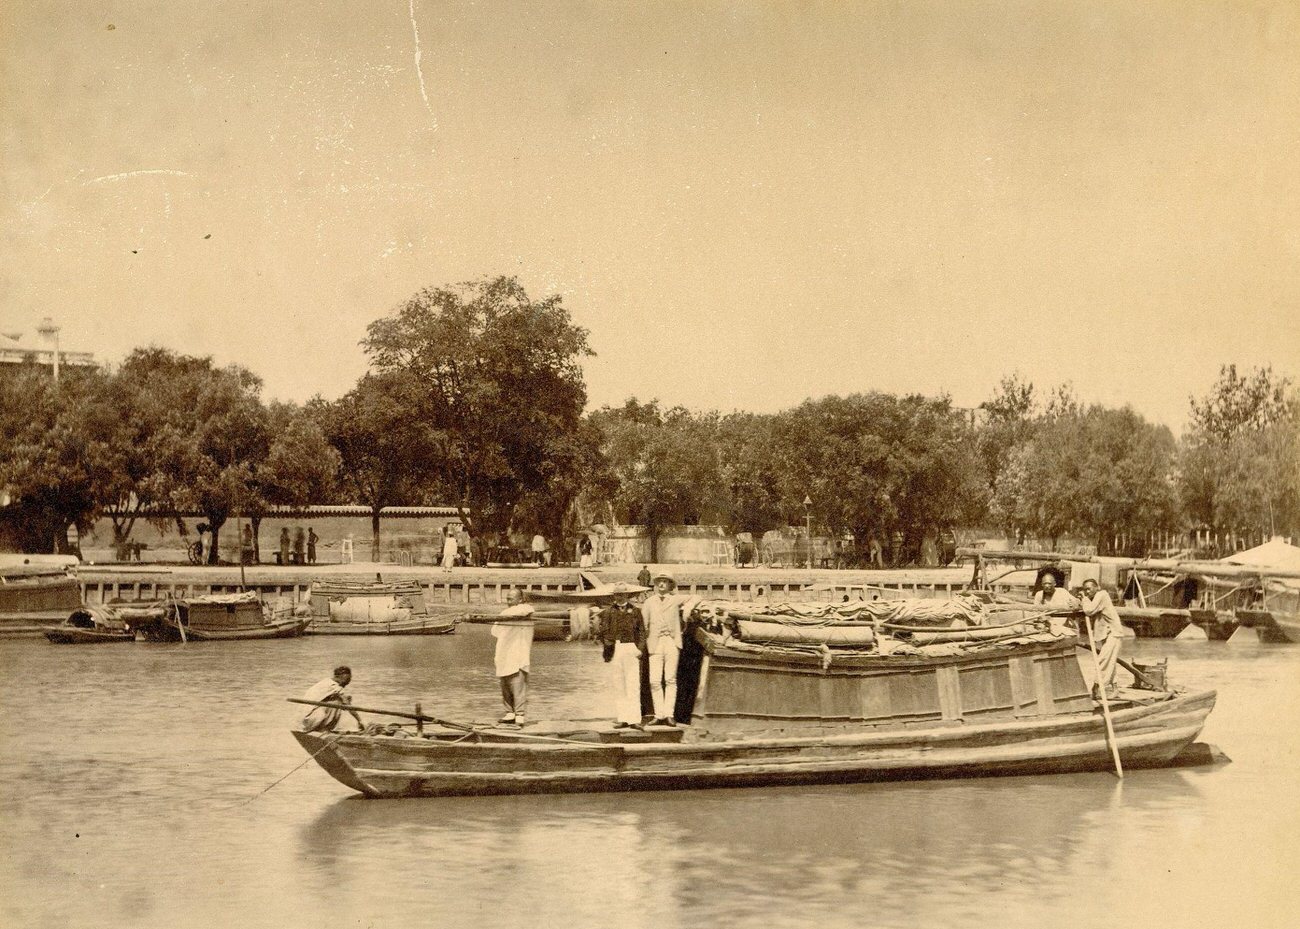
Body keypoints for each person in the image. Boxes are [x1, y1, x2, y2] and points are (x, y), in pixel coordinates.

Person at [640, 570, 688, 726]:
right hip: (655, 642)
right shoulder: (649, 602)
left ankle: (669, 714)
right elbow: (643, 625)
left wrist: (687, 610)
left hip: (672, 642)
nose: (661, 584)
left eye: (665, 581)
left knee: (670, 679)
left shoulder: (675, 600)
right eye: (659, 581)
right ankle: (658, 714)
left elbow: (697, 597)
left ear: (670, 585)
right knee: (654, 680)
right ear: (655, 584)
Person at [598, 591, 646, 728]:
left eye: (623, 594)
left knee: (633, 685)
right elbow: (602, 631)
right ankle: (623, 718)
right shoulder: (608, 612)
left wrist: (640, 649)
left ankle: (634, 719)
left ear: (627, 595)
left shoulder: (635, 611)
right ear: (614, 596)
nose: (620, 597)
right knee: (619, 685)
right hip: (616, 648)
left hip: (631, 647)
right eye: (617, 594)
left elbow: (642, 631)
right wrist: (607, 645)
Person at [493, 592, 535, 725]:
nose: (508, 601)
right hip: (504, 655)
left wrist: (505, 616)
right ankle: (510, 713)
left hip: (518, 655)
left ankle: (520, 715)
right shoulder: (506, 613)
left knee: (518, 687)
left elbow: (524, 609)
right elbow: (494, 631)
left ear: (520, 599)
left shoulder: (526, 610)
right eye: (507, 598)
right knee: (505, 686)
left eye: (511, 598)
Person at [1078, 578, 1123, 698]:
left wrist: (1084, 598)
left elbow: (1089, 610)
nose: (1087, 592)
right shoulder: (1094, 598)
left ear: (1097, 587)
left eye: (1089, 589)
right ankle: (1115, 690)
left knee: (1102, 661)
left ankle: (1095, 688)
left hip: (1114, 634)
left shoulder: (1102, 595)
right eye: (1085, 590)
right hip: (1107, 634)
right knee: (1110, 661)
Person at [300, 666, 363, 733]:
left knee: (338, 702)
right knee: (337, 703)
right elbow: (347, 705)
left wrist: (344, 699)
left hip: (305, 719)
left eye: (349, 680)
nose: (347, 683)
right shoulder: (334, 686)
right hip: (309, 719)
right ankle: (322, 729)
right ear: (338, 676)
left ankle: (322, 728)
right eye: (346, 680)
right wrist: (360, 721)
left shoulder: (326, 681)